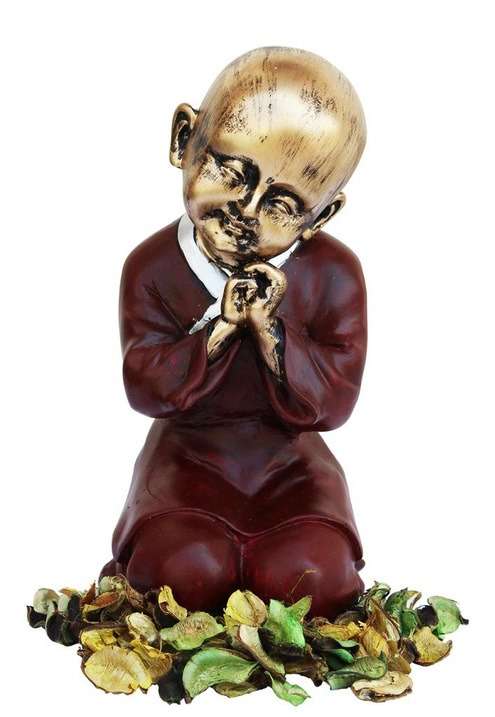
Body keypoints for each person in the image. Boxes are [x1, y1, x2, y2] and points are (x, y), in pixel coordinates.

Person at [101, 47, 368, 618]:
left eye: (282, 204)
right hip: (185, 462)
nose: (245, 210)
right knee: (183, 573)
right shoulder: (151, 267)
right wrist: (222, 327)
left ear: (320, 218)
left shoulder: (334, 274)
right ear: (184, 140)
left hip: (291, 466)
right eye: (231, 173)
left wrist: (270, 330)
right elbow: (145, 387)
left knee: (311, 576)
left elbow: (335, 402)